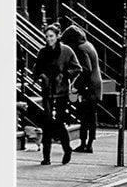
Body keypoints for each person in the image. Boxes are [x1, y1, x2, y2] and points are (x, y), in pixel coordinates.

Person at [31, 25, 78, 168]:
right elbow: (36, 69)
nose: (49, 39)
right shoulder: (43, 52)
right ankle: (46, 157)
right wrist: (41, 75)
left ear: (57, 36)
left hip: (61, 92)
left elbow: (77, 68)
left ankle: (67, 149)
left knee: (58, 122)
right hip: (47, 92)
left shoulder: (66, 51)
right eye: (46, 36)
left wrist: (64, 75)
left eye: (51, 36)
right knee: (47, 123)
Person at [64, 24, 101, 153]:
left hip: (89, 86)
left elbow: (85, 69)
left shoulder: (80, 48)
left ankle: (85, 143)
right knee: (91, 116)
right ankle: (88, 143)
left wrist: (76, 85)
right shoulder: (88, 45)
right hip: (95, 84)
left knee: (86, 116)